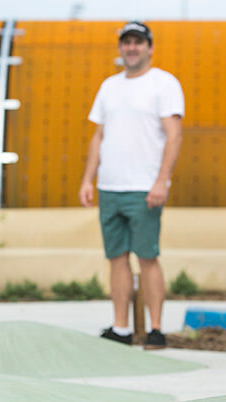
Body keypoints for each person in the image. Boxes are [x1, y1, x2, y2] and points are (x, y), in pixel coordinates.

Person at [78, 21, 184, 349]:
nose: (132, 48)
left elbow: (174, 134)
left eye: (138, 42)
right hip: (111, 186)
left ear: (149, 47)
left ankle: (155, 329)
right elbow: (99, 136)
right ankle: (121, 328)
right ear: (121, 47)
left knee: (147, 256)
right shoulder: (110, 86)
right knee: (117, 258)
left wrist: (162, 180)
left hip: (145, 187)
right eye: (127, 42)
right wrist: (88, 179)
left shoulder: (164, 83)